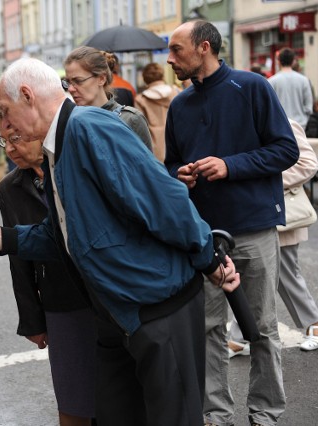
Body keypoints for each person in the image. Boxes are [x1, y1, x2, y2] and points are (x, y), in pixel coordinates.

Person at [0, 57, 240, 426]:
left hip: (157, 306)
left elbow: (166, 200)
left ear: (27, 95)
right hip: (118, 312)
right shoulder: (57, 146)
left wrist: (209, 259)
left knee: (172, 417)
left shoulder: (89, 127)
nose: (3, 126)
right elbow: (64, 234)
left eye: (5, 113)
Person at [164, 20, 299, 426]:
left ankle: (265, 413)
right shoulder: (179, 105)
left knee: (261, 327)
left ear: (204, 47)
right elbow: (171, 162)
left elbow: (286, 150)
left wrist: (230, 165)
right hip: (202, 236)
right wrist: (179, 176)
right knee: (207, 330)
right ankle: (216, 416)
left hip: (252, 227)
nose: (170, 58)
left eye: (176, 49)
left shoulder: (253, 86)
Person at [0, 100, 96, 426]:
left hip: (102, 292)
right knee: (73, 395)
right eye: (4, 140)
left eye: (17, 137)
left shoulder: (73, 164)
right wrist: (32, 320)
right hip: (60, 300)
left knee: (114, 392)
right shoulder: (11, 188)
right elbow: (20, 259)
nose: (11, 148)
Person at [227, 119, 318, 355]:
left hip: (282, 215)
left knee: (286, 275)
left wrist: (268, 181)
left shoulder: (282, 122)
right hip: (253, 214)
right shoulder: (240, 124)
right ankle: (240, 336)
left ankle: (314, 325)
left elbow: (308, 163)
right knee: (250, 275)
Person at [63, 46, 153, 152]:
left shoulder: (131, 120)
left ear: (101, 79)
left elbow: (145, 167)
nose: (70, 89)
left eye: (78, 81)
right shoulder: (68, 121)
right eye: (68, 82)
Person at [134, 63, 181, 162]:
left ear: (145, 79)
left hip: (154, 147)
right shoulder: (176, 92)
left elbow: (140, 127)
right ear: (162, 75)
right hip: (178, 141)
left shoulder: (140, 99)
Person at [268, 48, 313, 129]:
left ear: (278, 61)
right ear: (293, 61)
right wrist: (304, 119)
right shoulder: (304, 80)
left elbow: (268, 106)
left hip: (279, 126)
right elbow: (309, 106)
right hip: (300, 125)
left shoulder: (271, 81)